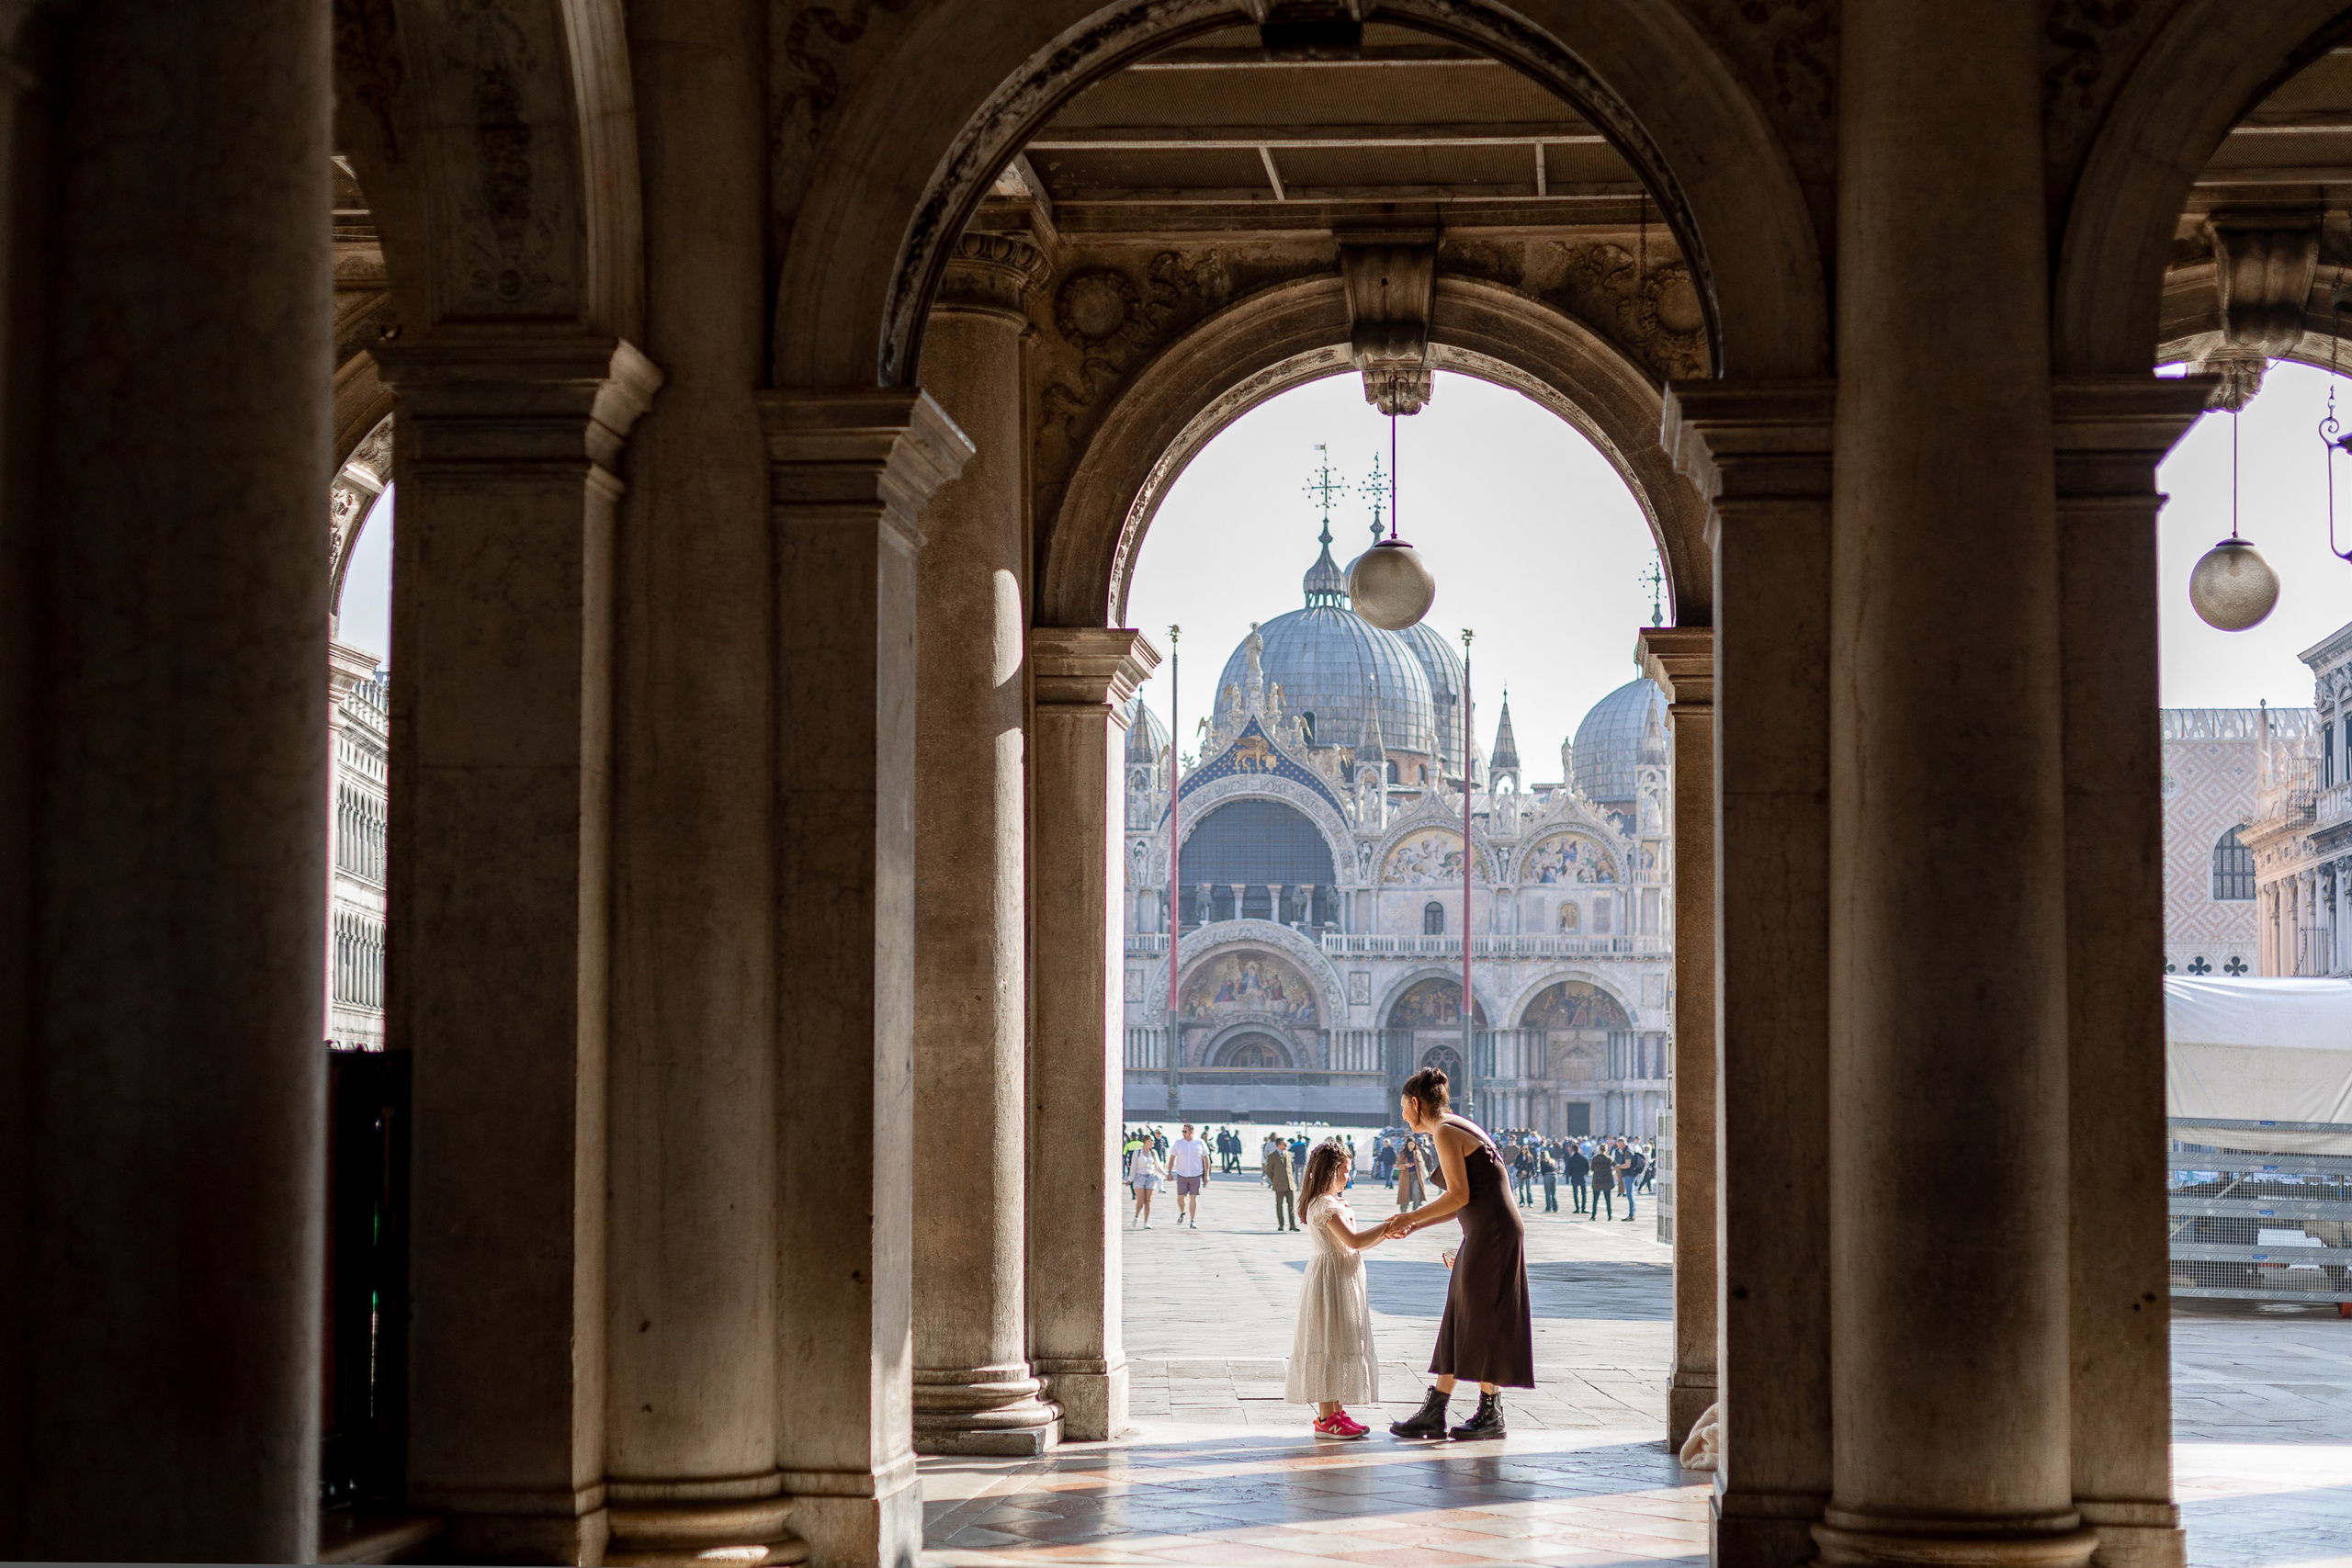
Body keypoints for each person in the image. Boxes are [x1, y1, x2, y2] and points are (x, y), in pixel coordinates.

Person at [1382, 1067, 1533, 1441]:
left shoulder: (1446, 1132)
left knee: (1482, 1316)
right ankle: (1437, 1411)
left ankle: (1489, 1412)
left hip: (1492, 1232)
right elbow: (1466, 1199)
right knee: (1462, 1314)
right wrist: (1416, 1225)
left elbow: (1460, 1196)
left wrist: (1409, 1216)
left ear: (1416, 1103)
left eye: (1404, 1107)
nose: (1403, 1115)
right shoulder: (1457, 1125)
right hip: (1489, 1228)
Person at [1286, 1138, 1388, 1438]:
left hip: (1341, 1274)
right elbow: (1354, 1241)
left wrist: (1385, 1233)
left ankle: (1335, 1412)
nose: (1348, 1176)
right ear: (1329, 1171)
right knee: (1327, 1339)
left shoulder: (1330, 1202)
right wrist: (1388, 1228)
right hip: (1330, 1277)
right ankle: (1326, 1416)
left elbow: (1355, 1242)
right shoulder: (1324, 1205)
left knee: (1340, 1340)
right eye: (1344, 1171)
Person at [1167, 1121, 1211, 1227]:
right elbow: (1172, 1158)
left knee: (1193, 1197)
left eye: (1185, 1131)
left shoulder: (1200, 1143)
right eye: (1182, 1131)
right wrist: (1169, 1172)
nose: (1183, 1133)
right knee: (1180, 1197)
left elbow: (1206, 1159)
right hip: (1182, 1173)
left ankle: (1193, 1220)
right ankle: (1182, 1212)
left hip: (1195, 1174)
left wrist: (1207, 1174)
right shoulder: (1178, 1143)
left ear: (1191, 1132)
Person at [1264, 1130, 1299, 1231]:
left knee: (1291, 1205)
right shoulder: (1272, 1156)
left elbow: (1291, 1168)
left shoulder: (1289, 1154)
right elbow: (1269, 1171)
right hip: (1279, 1184)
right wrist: (1274, 1180)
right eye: (1285, 1144)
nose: (1286, 1145)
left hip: (1289, 1184)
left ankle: (1292, 1225)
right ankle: (1281, 1224)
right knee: (1279, 1205)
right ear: (1279, 1145)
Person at [1126, 1138, 1164, 1227]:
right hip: (1139, 1178)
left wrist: (1166, 1175)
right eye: (1151, 1140)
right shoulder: (1137, 1152)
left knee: (1148, 1201)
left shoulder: (1153, 1153)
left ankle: (1146, 1222)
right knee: (1140, 1201)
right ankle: (1136, 1216)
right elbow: (1133, 1167)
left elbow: (1158, 1167)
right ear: (1146, 1141)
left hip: (1150, 1178)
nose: (1153, 1142)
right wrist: (1130, 1179)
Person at [1395, 1133, 1429, 1213]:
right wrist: (1406, 1165)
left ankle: (1414, 1212)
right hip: (1405, 1177)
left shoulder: (1417, 1153)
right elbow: (1398, 1165)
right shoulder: (1403, 1154)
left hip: (1416, 1176)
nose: (1411, 1146)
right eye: (1410, 1144)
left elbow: (1422, 1163)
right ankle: (1403, 1213)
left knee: (1417, 1194)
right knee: (1405, 1197)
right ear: (1407, 1144)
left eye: (1413, 1144)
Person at [1589, 1143, 1618, 1221]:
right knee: (1608, 1200)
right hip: (1606, 1181)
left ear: (1599, 1149)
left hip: (1597, 1180)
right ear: (1606, 1150)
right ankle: (1609, 1216)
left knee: (1595, 1200)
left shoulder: (1595, 1158)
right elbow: (1615, 1166)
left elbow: (1592, 1169)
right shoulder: (1609, 1158)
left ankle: (1593, 1216)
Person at [1620, 1141, 1645, 1221]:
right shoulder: (1629, 1150)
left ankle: (1632, 1215)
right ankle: (1631, 1214)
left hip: (1628, 1175)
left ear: (1623, 1143)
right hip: (1631, 1174)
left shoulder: (1627, 1152)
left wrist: (1618, 1167)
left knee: (1630, 1195)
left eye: (1619, 1145)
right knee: (1630, 1195)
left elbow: (1627, 1165)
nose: (1618, 1147)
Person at [1565, 1140, 1589, 1215]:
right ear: (1579, 1149)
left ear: (1573, 1150)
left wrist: (1571, 1174)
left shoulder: (1571, 1159)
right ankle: (1583, 1208)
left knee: (1575, 1194)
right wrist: (1585, 1173)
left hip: (1574, 1177)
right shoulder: (1583, 1158)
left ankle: (1577, 1208)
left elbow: (1568, 1169)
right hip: (1582, 1177)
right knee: (1583, 1194)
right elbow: (1587, 1167)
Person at [1539, 1145, 1558, 1213]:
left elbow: (1543, 1170)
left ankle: (1549, 1207)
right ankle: (1555, 1207)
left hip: (1547, 1176)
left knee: (1548, 1192)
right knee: (1554, 1192)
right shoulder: (1552, 1160)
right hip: (1554, 1175)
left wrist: (1542, 1174)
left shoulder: (1543, 1161)